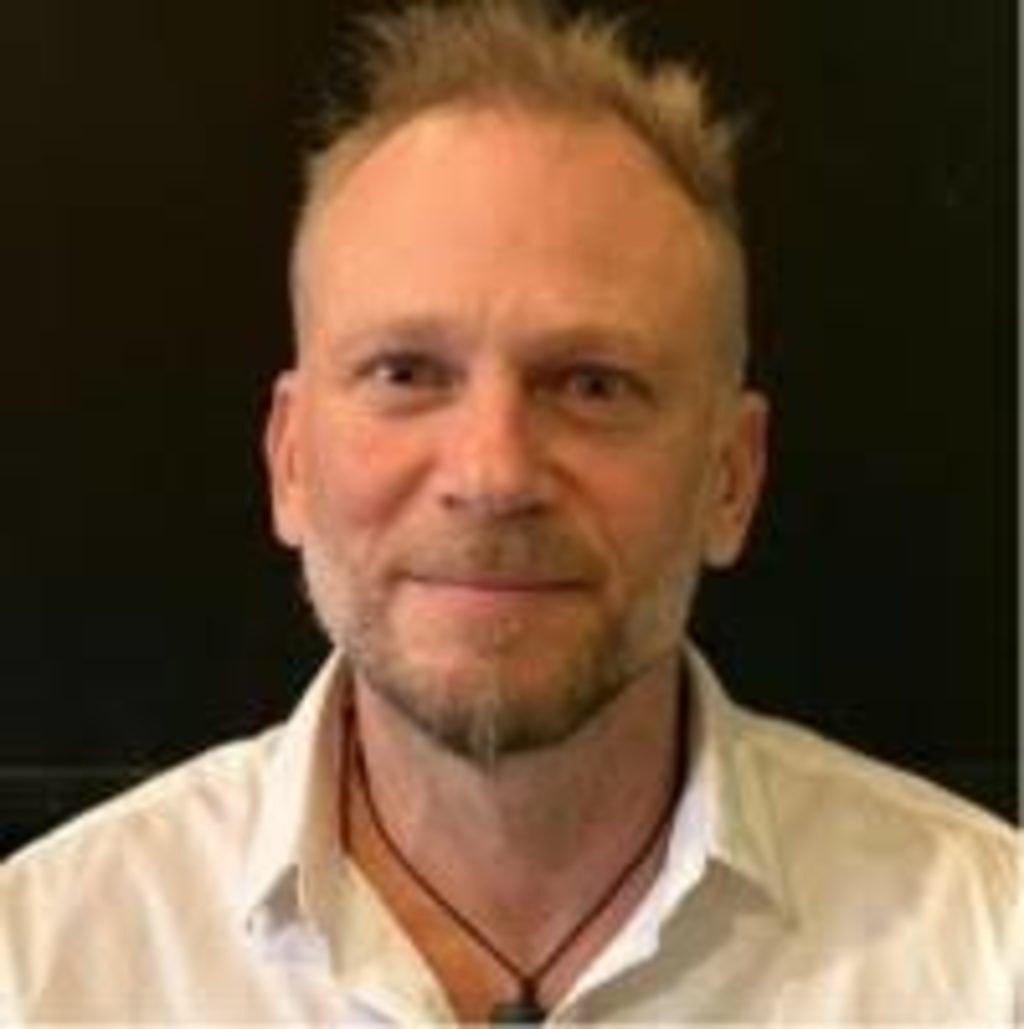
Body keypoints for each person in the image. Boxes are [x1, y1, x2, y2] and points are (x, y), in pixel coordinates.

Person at [2, 1, 1019, 1023]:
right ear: (291, 459)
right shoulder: (40, 967)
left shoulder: (987, 957)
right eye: (406, 373)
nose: (492, 475)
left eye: (592, 385)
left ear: (731, 477)